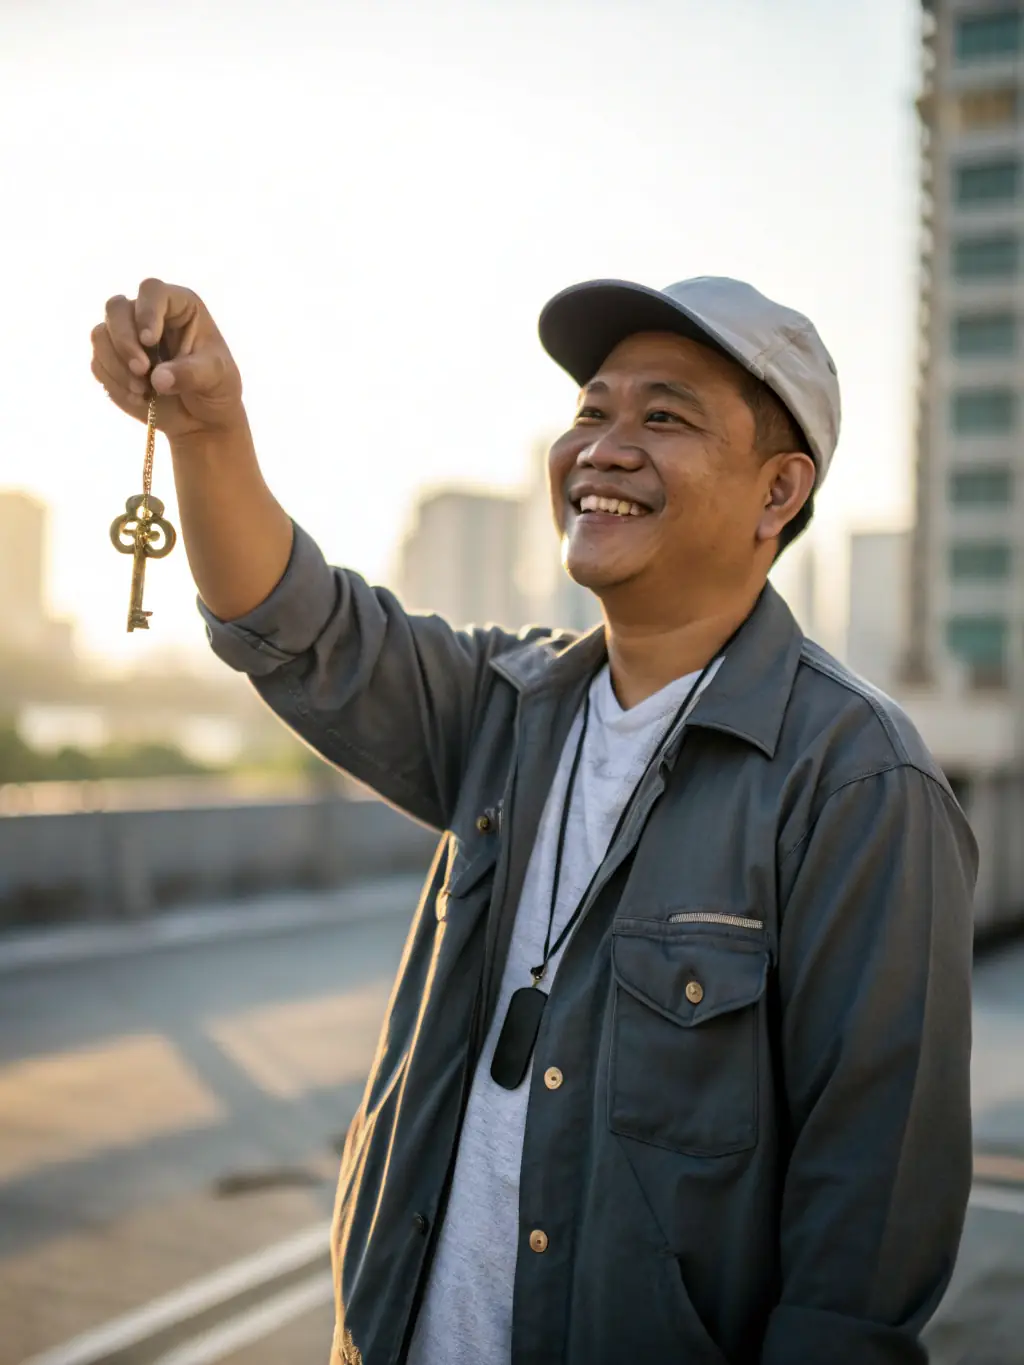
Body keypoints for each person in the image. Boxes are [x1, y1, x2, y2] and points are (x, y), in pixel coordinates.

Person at [91, 273, 977, 1365]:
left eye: (664, 417)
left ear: (777, 492)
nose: (603, 446)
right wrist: (208, 432)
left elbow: (868, 1232)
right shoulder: (503, 707)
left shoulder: (854, 785)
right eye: (590, 412)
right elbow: (297, 624)